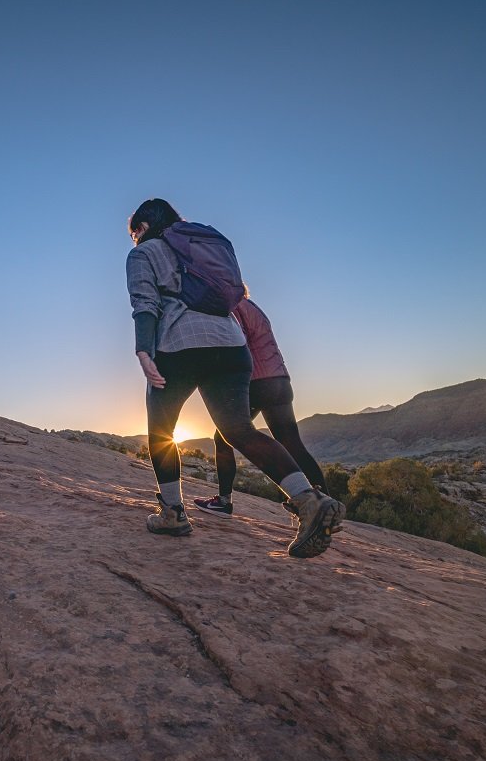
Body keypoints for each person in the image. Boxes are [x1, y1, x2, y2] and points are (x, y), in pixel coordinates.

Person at [125, 198, 344, 557]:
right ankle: (309, 501)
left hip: (179, 343)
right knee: (239, 430)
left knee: (161, 432)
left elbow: (145, 301)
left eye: (135, 232)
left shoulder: (144, 253)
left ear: (145, 227)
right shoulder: (199, 246)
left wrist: (143, 349)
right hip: (231, 345)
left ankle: (173, 513)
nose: (134, 239)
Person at [193, 296, 332, 521]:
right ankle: (326, 506)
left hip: (255, 382)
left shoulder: (231, 307)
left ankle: (223, 501)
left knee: (224, 437)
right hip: (279, 380)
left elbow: (238, 343)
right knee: (293, 444)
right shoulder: (254, 308)